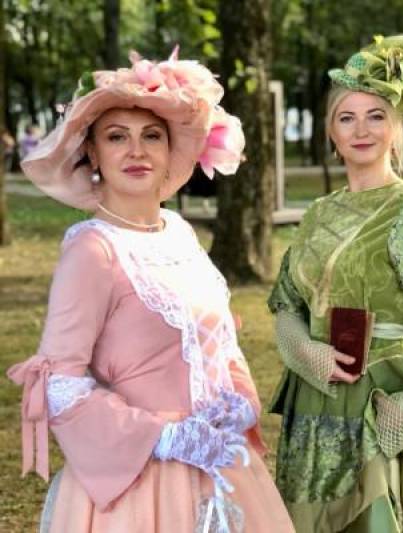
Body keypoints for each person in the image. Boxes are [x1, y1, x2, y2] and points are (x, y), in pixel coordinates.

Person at [6, 48, 294, 532]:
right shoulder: (92, 251)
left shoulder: (179, 232)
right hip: (142, 485)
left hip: (222, 465)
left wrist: (240, 399)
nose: (136, 151)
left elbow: (216, 337)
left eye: (151, 136)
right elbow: (62, 387)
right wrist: (166, 438)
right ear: (93, 153)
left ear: (169, 152)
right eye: (117, 137)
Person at [267, 35, 403, 532]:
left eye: (376, 116)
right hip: (315, 402)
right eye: (347, 118)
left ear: (397, 126)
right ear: (331, 132)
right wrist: (305, 351)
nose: (361, 130)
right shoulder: (318, 212)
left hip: (381, 400)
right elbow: (287, 303)